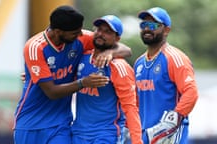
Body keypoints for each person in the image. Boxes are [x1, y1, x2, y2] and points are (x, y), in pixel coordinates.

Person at [13, 5, 132, 144]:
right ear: (58, 32)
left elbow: (125, 49)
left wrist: (110, 52)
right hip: (30, 122)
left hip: (61, 123)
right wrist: (83, 83)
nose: (81, 35)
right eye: (75, 32)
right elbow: (51, 92)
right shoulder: (35, 47)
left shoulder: (79, 38)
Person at [71, 15, 143, 144]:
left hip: (106, 134)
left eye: (107, 32)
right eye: (99, 29)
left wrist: (137, 141)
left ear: (117, 39)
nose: (101, 34)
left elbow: (131, 108)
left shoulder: (119, 67)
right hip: (78, 133)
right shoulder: (82, 57)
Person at [133, 7, 199, 144]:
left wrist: (174, 118)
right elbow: (136, 101)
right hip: (145, 135)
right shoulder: (139, 63)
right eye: (144, 25)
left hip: (170, 135)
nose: (147, 29)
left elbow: (191, 92)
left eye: (153, 25)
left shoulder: (174, 58)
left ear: (166, 30)